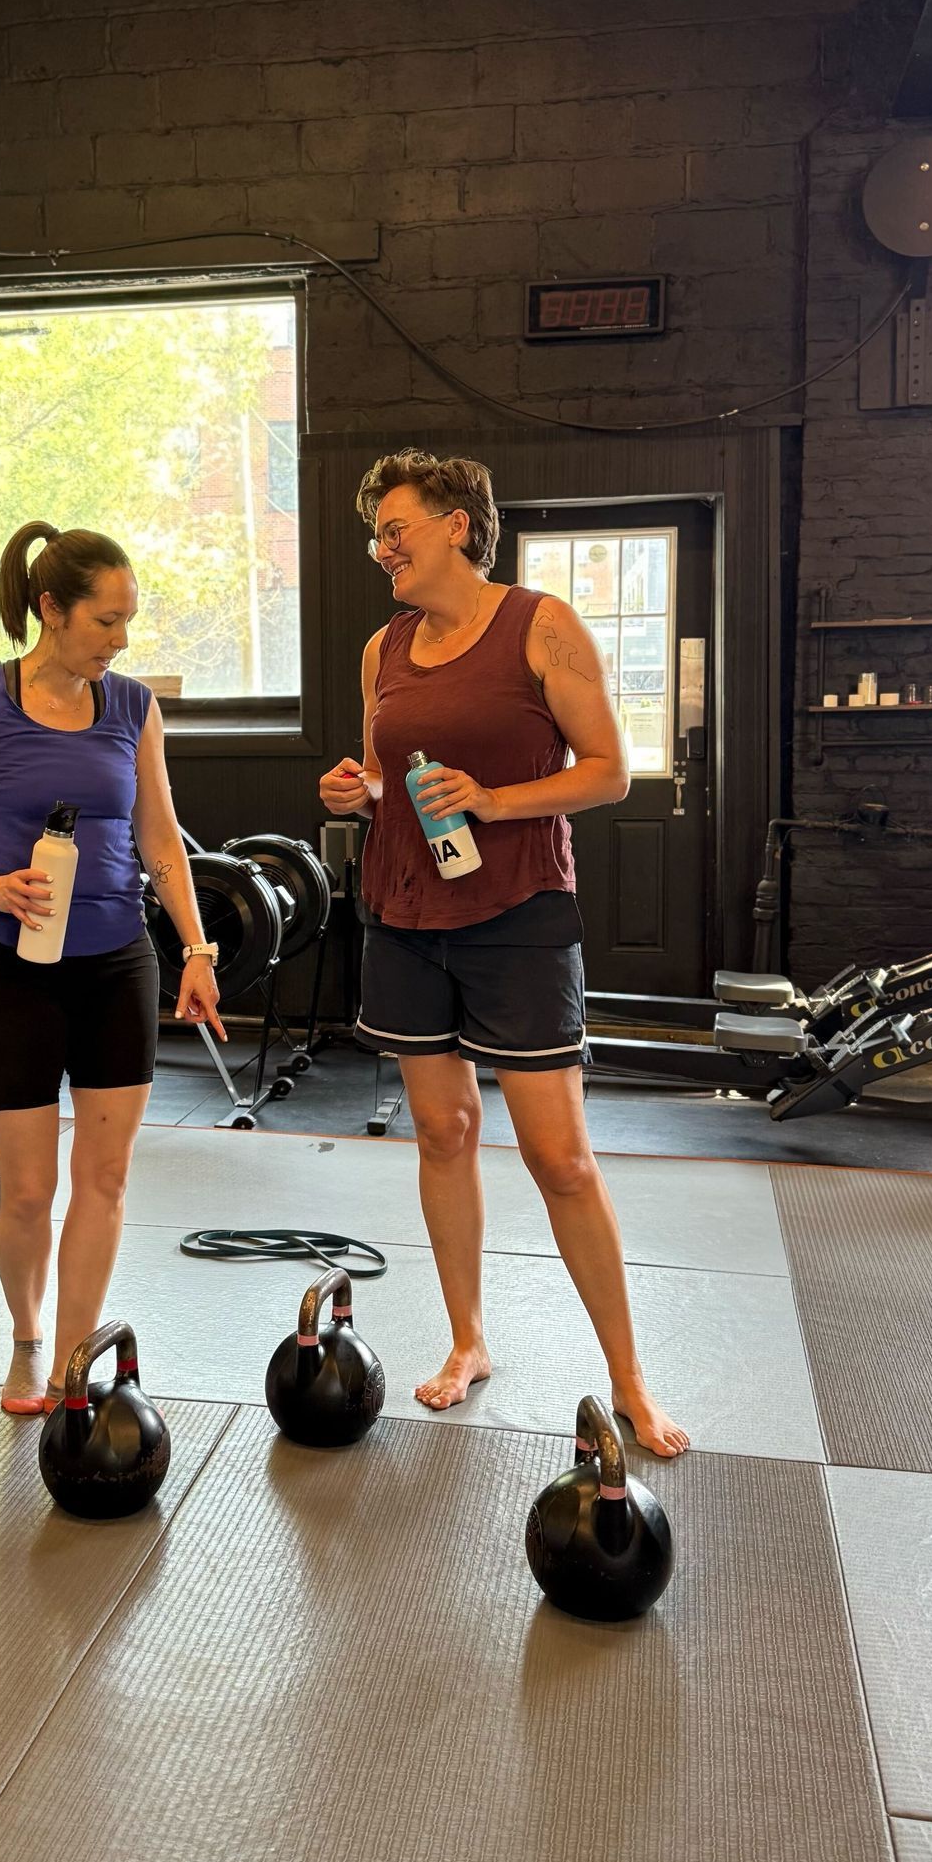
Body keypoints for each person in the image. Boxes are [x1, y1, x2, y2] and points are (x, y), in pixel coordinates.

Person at [318, 451, 688, 1456]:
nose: (383, 549)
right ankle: (468, 1341)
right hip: (405, 914)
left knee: (558, 1155)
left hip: (519, 911)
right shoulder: (381, 648)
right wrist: (364, 795)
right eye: (377, 535)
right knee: (442, 1130)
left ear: (456, 525)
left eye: (396, 528)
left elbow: (610, 772)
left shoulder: (543, 624)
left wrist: (495, 801)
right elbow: (400, 788)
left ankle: (629, 1380)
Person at [0, 520, 224, 1413]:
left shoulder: (133, 707)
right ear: (50, 610)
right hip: (10, 965)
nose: (121, 640)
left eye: (127, 622)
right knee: (30, 1188)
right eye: (106, 622)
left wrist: (195, 947)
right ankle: (27, 1342)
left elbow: (160, 838)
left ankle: (78, 1351)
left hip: (118, 961)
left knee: (104, 1178)